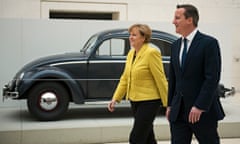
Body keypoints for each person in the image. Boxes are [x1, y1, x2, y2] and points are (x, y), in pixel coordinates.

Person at [166, 4, 225, 144]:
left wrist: (199, 106)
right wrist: (170, 105)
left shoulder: (209, 43)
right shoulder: (175, 46)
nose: (173, 21)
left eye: (177, 18)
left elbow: (212, 78)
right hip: (178, 112)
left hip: (202, 112)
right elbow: (173, 79)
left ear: (189, 20)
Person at [108, 24, 168, 144]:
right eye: (130, 34)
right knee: (147, 136)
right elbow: (125, 77)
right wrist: (115, 98)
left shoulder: (152, 53)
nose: (130, 37)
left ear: (144, 38)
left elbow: (160, 79)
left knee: (136, 137)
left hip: (150, 101)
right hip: (135, 100)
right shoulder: (131, 53)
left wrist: (168, 104)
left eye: (134, 35)